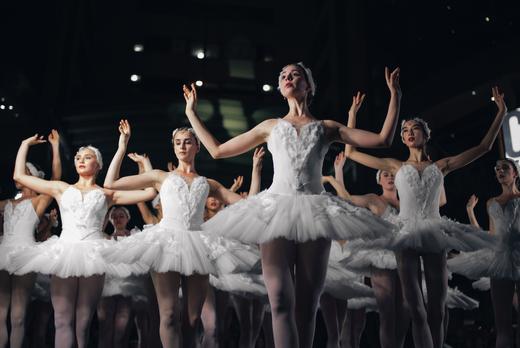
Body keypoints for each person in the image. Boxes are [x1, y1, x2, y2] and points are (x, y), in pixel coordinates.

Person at [183, 62, 402, 347]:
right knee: (281, 303)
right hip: (276, 211)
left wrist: (395, 95)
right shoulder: (270, 126)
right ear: (280, 87)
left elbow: (383, 140)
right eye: (283, 75)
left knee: (307, 307)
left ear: (308, 86)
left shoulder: (327, 128)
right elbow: (217, 150)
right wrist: (191, 112)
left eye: (295, 74)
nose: (288, 77)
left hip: (315, 212)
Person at [343, 86, 506, 348]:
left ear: (425, 134)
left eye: (413, 129)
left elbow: (484, 147)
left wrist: (501, 113)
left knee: (437, 310)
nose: (408, 133)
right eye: (405, 131)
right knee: (414, 308)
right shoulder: (395, 166)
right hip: (405, 231)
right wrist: (352, 115)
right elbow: (351, 153)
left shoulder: (441, 166)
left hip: (433, 230)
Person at [102, 120, 264, 347]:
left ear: (197, 146)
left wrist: (256, 171)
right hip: (166, 242)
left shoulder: (209, 183)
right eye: (178, 143)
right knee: (168, 315)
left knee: (193, 318)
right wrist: (122, 145)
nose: (182, 146)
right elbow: (111, 183)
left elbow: (246, 205)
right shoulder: (160, 176)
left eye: (187, 142)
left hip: (198, 244)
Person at [11, 128, 156, 348]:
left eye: (87, 157)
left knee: (83, 322)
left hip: (92, 254)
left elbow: (149, 192)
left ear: (98, 165)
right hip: (64, 252)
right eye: (78, 157)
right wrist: (24, 145)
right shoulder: (61, 189)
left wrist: (125, 151)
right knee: (61, 320)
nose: (80, 160)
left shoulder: (108, 194)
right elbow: (19, 176)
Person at [448, 159, 520, 348]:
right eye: (497, 169)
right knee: (502, 324)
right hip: (501, 259)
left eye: (505, 167)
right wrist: (470, 212)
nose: (500, 171)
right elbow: (489, 236)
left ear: (515, 173)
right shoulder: (491, 203)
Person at [0, 129, 61, 348]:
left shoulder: (39, 202)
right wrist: (23, 144)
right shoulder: (5, 203)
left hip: (25, 253)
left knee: (17, 316)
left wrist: (55, 148)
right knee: (0, 314)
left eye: (25, 171)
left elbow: (55, 180)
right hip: (3, 253)